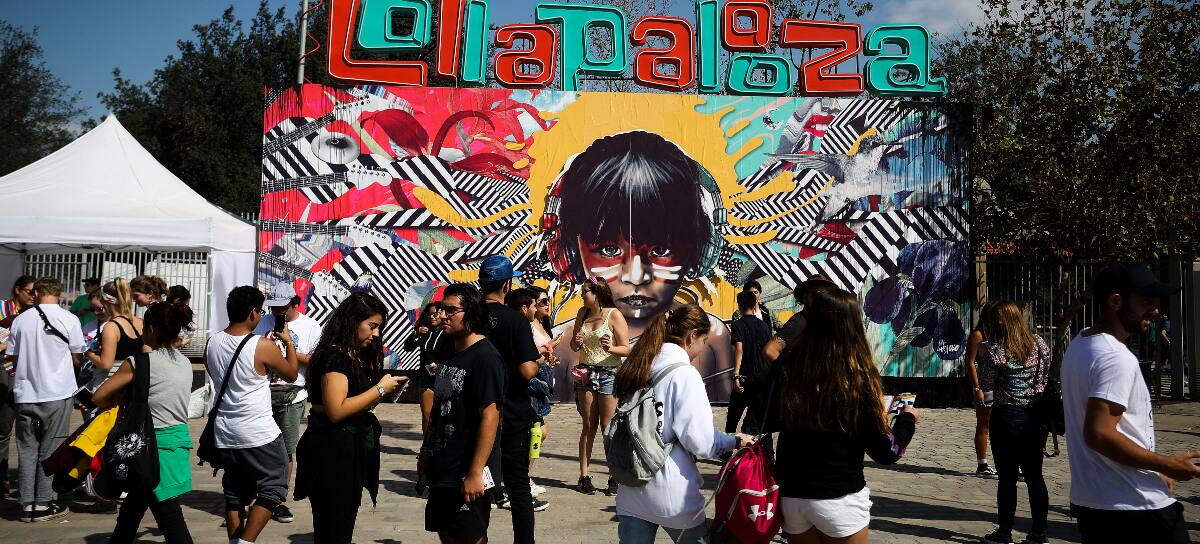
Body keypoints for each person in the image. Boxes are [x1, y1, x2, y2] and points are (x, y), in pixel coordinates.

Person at [545, 131, 733, 402]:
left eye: (661, 250)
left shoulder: (710, 336)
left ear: (700, 249)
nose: (636, 276)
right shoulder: (565, 345)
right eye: (609, 250)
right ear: (570, 251)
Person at [764, 288, 919, 543]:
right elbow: (887, 452)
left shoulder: (787, 369)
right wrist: (906, 419)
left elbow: (769, 418)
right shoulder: (856, 381)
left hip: (793, 496)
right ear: (852, 325)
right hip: (839, 498)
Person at [1061, 263, 1199, 543]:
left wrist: (1154, 470)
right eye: (1146, 301)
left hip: (1095, 504)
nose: (1156, 310)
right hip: (1135, 506)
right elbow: (1099, 434)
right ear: (1115, 301)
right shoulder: (1116, 358)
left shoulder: (1080, 344)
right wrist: (1165, 464)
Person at [612, 304, 751, 543]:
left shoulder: (640, 365)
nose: (702, 348)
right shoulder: (685, 374)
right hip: (671, 492)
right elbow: (701, 442)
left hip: (630, 487)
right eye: (704, 341)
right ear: (692, 336)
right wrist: (734, 441)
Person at [293, 293, 406, 543]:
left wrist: (383, 393)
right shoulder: (335, 357)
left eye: (378, 328)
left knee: (340, 525)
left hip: (345, 451)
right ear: (353, 321)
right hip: (332, 453)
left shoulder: (350, 355)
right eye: (372, 326)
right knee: (334, 527)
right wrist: (379, 389)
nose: (375, 334)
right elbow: (337, 410)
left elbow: (356, 404)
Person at [93, 301, 197, 543]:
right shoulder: (184, 362)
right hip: (176, 444)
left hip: (147, 448)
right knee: (133, 509)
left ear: (151, 328)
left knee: (171, 519)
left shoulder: (138, 362)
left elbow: (99, 397)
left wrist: (120, 399)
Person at [204, 286, 298, 544]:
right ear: (254, 313)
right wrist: (288, 341)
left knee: (234, 492)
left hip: (225, 431)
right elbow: (291, 374)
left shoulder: (212, 342)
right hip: (258, 432)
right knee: (274, 487)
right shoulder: (261, 345)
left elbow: (215, 376)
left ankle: (236, 541)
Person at [422, 283, 506, 544]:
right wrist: (425, 450)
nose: (443, 316)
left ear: (471, 313)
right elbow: (439, 408)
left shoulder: (486, 357)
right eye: (442, 309)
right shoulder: (448, 350)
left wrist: (476, 472)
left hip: (468, 467)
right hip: (442, 464)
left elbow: (490, 416)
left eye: (451, 310)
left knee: (469, 537)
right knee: (446, 533)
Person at [478, 254, 549, 534]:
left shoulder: (469, 316)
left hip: (475, 408)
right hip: (511, 411)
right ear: (507, 285)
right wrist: (540, 360)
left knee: (478, 480)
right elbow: (527, 370)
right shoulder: (515, 320)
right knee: (518, 486)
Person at [6, 277, 86, 522]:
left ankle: (26, 503)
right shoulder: (69, 319)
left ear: (37, 292)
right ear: (60, 293)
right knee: (51, 449)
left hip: (26, 393)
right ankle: (43, 503)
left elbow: (13, 357)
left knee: (26, 449)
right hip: (57, 393)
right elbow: (78, 355)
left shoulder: (20, 320)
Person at [976, 301, 1052, 544]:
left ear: (999, 322)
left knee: (1007, 478)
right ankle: (1039, 533)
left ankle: (1004, 532)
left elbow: (987, 385)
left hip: (1007, 416)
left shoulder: (996, 351)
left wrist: (991, 397)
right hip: (1035, 415)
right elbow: (1045, 375)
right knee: (1035, 476)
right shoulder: (1039, 343)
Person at [252, 282, 322, 524]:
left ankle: (277, 500)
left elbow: (316, 360)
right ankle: (259, 496)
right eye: (273, 308)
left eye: (282, 308)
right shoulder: (263, 323)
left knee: (285, 449)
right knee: (258, 446)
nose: (277, 313)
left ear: (295, 304)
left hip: (293, 394)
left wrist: (286, 350)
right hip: (261, 392)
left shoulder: (310, 326)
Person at [568, 279, 630, 496]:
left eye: (584, 291)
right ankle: (584, 476)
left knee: (607, 426)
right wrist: (576, 342)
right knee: (588, 425)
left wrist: (610, 347)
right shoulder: (582, 313)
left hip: (608, 373)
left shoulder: (614, 315)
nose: (581, 295)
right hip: (585, 373)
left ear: (597, 293)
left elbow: (626, 349)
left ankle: (614, 476)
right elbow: (574, 346)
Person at [507, 288, 558, 498]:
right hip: (531, 381)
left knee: (538, 431)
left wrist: (548, 357)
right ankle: (521, 478)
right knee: (536, 432)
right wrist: (547, 348)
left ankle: (523, 476)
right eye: (541, 301)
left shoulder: (542, 324)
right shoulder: (525, 326)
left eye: (547, 301)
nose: (545, 305)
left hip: (541, 378)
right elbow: (526, 356)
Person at [402, 301, 453, 498]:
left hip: (444, 378)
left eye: (436, 313)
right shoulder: (425, 332)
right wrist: (415, 334)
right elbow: (408, 347)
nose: (432, 317)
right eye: (430, 314)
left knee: (443, 415)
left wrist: (442, 366)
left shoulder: (448, 332)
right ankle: (427, 445)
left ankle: (439, 447)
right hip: (426, 378)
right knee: (427, 415)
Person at [0, 275, 35, 499]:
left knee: (16, 429)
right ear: (17, 290)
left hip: (24, 376)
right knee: (3, 429)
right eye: (30, 292)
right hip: (4, 371)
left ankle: (15, 480)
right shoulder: (1, 308)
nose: (33, 296)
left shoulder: (35, 314)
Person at [83, 278, 144, 391]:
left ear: (106, 301)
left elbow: (106, 364)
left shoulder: (111, 327)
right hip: (133, 383)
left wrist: (88, 353)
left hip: (109, 385)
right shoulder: (140, 322)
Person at [726, 290, 773, 435]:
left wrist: (736, 376)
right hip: (761, 377)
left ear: (739, 306)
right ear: (754, 305)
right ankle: (754, 447)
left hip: (744, 376)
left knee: (733, 417)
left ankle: (728, 445)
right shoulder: (764, 326)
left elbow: (739, 350)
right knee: (755, 419)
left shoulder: (738, 325)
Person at [763, 277, 837, 363]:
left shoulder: (819, 321)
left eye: (825, 295)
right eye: (816, 294)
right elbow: (769, 351)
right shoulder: (799, 322)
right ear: (805, 297)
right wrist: (790, 371)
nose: (821, 298)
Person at [966, 301, 999, 478]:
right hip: (985, 385)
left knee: (1003, 425)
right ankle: (982, 464)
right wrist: (977, 387)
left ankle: (1008, 463)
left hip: (1002, 385)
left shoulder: (1000, 334)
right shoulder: (978, 335)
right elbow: (970, 362)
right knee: (984, 424)